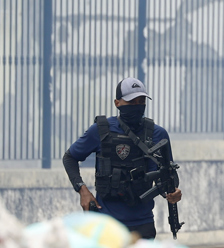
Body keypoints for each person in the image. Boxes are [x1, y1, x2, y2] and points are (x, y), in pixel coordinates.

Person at [62, 77, 182, 239]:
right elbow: (70, 158)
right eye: (132, 102)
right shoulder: (101, 130)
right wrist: (82, 189)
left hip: (142, 224)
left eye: (141, 101)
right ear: (117, 103)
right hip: (106, 224)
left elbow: (167, 174)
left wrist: (172, 192)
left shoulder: (157, 134)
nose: (137, 107)